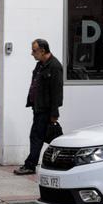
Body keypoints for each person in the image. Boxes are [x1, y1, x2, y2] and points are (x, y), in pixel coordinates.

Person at [15, 38, 64, 175]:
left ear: (43, 51)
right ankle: (37, 163)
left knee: (38, 137)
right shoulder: (40, 65)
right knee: (40, 137)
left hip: (46, 110)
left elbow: (56, 92)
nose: (32, 53)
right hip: (37, 108)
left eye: (34, 50)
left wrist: (54, 114)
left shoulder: (54, 66)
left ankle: (30, 165)